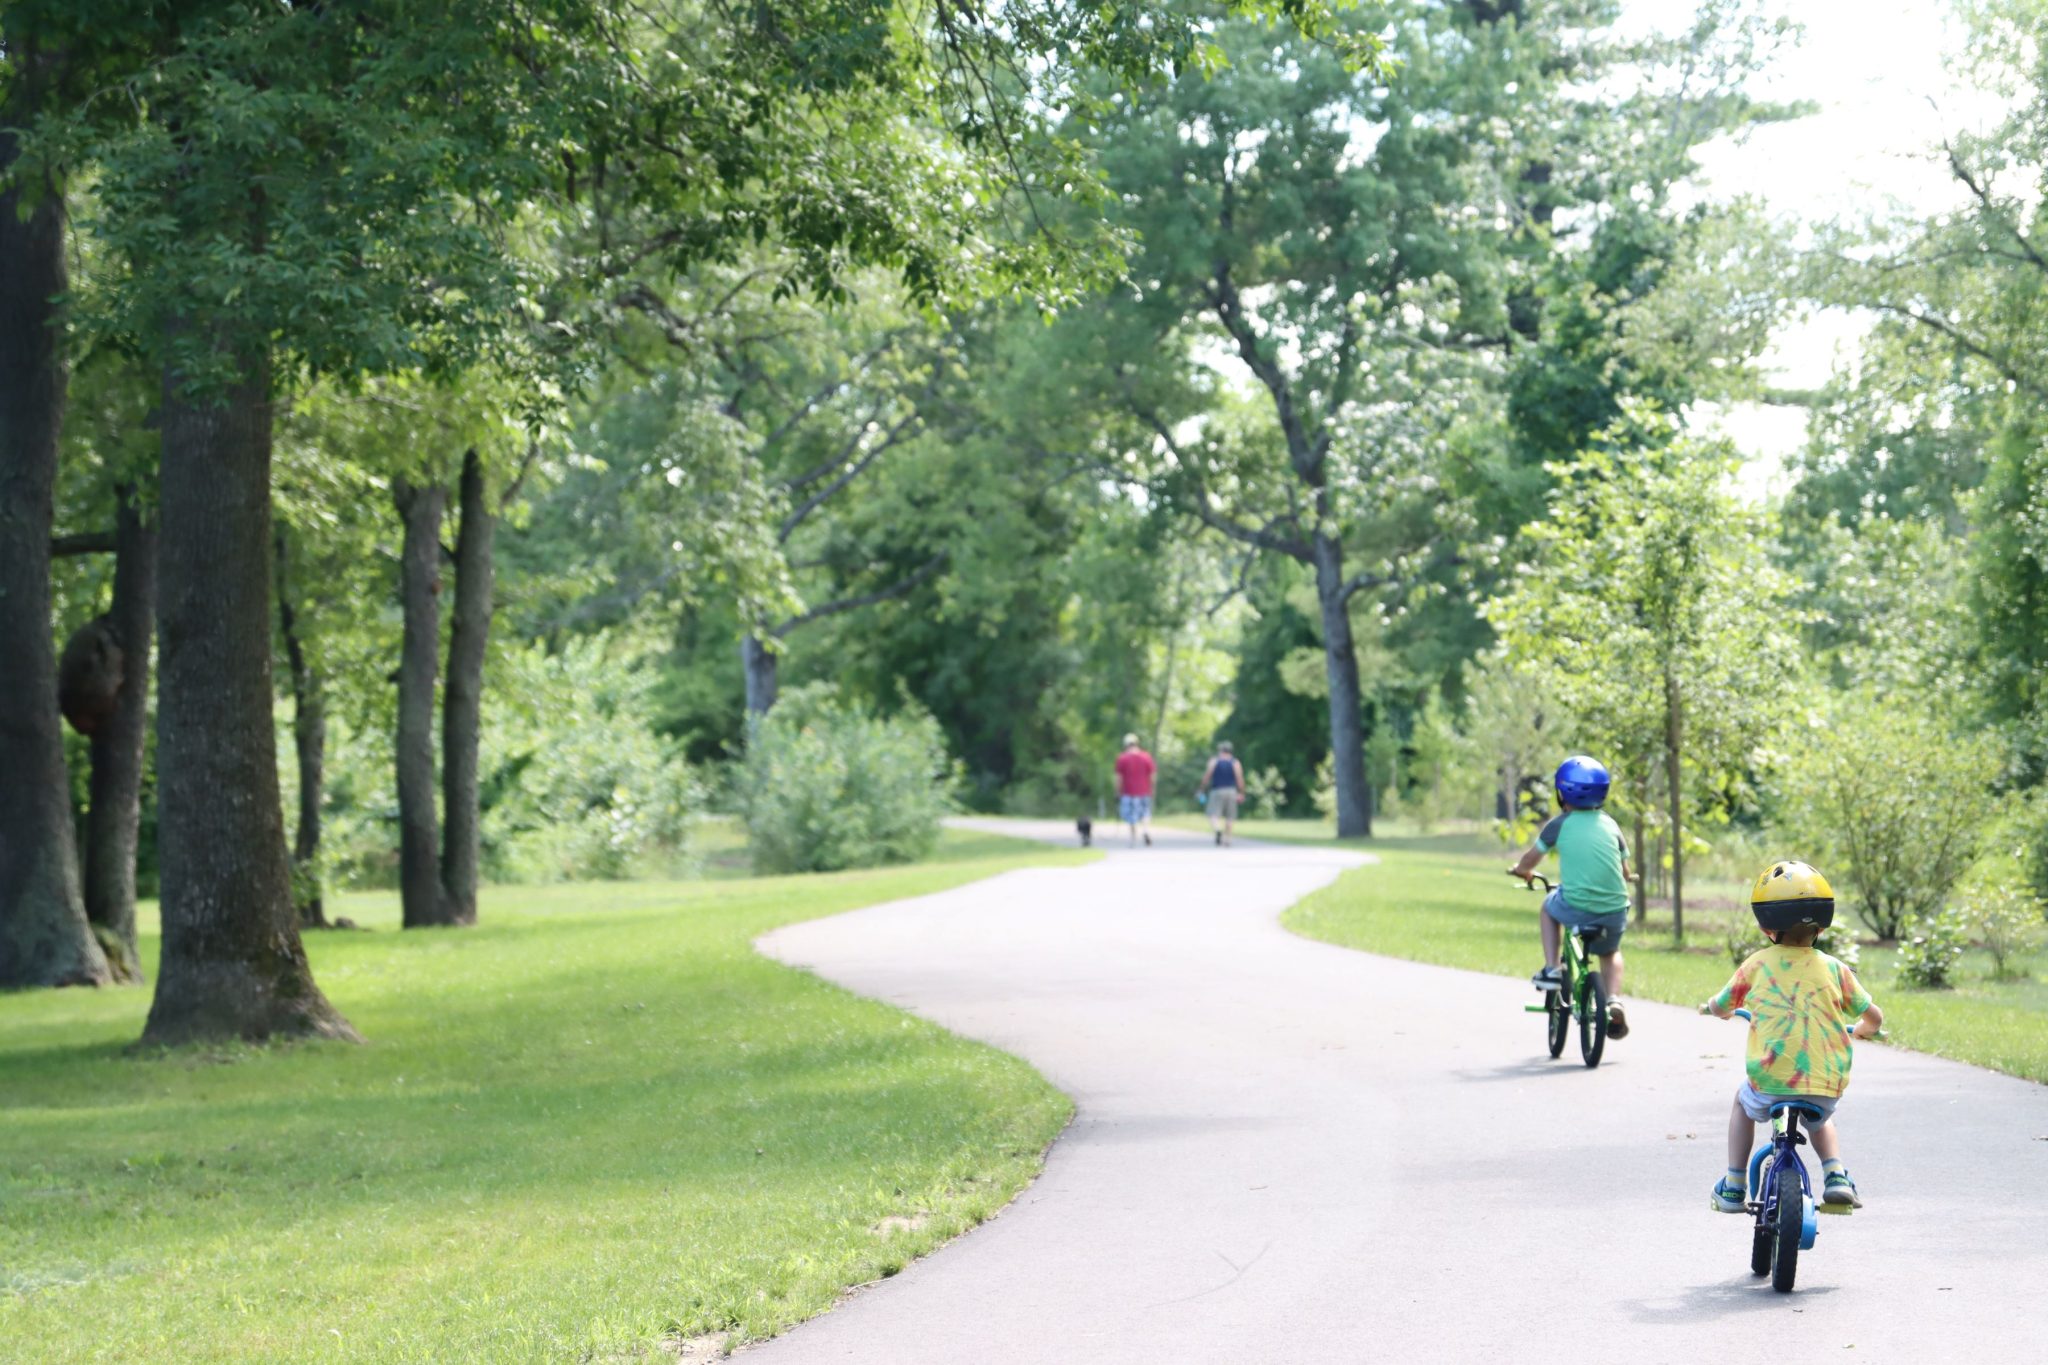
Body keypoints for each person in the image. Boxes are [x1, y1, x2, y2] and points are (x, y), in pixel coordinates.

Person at [1700, 861, 1883, 1211]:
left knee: (1741, 1102)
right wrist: (1863, 1031)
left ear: (1766, 925)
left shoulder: (1755, 964)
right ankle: (1836, 1175)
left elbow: (1723, 1004)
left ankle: (1735, 1184)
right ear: (1822, 926)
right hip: (1824, 1083)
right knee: (1821, 1119)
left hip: (1769, 1082)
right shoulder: (1835, 969)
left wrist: (1714, 1009)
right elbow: (1874, 1017)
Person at [1508, 754, 1633, 1040]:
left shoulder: (1559, 824)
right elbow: (1625, 870)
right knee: (1610, 952)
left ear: (1561, 792)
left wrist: (1522, 871)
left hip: (1576, 905)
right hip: (1615, 907)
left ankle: (1553, 968)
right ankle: (1613, 999)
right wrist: (1627, 876)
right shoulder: (1611, 825)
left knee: (1548, 909)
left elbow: (1531, 859)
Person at [1199, 741, 1245, 846]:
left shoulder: (1214, 761)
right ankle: (1228, 838)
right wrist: (1241, 792)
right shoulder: (1235, 762)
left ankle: (1218, 830)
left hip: (1217, 790)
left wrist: (1201, 788)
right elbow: (1239, 778)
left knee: (1213, 814)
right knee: (1230, 816)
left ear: (1221, 751)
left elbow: (1207, 776)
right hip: (1231, 791)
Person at [1113, 733, 1156, 847]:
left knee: (1131, 816)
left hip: (1128, 792)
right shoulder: (1146, 756)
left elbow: (1118, 778)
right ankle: (1146, 831)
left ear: (1126, 744)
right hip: (1144, 791)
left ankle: (1133, 839)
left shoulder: (1122, 758)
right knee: (1145, 813)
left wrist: (1117, 792)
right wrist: (1152, 789)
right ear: (1137, 743)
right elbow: (1152, 776)